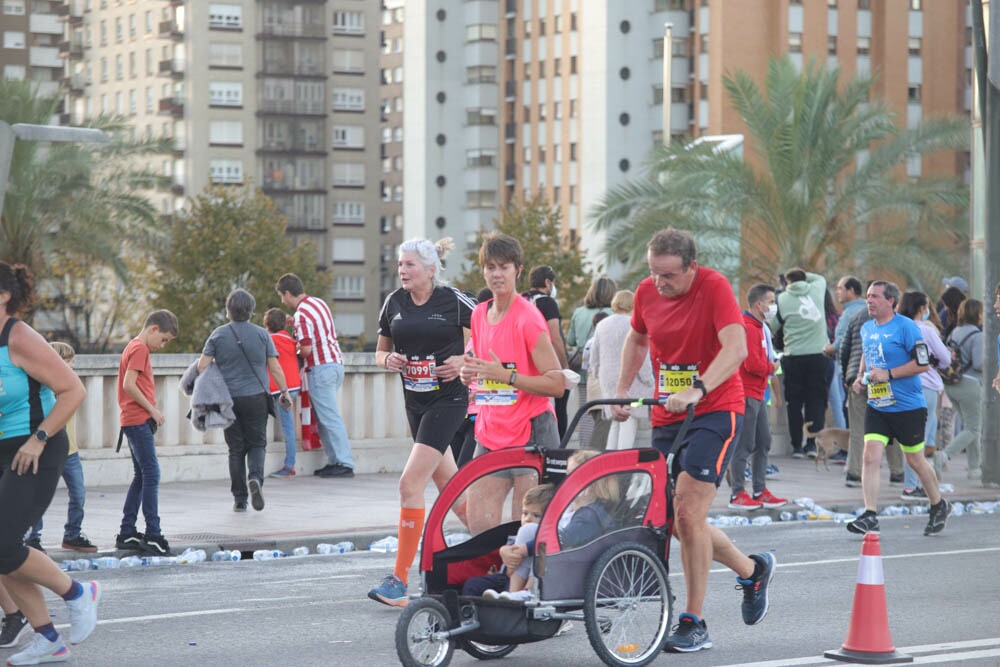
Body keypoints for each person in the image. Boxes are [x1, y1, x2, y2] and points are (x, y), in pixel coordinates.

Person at [610, 229, 774, 653]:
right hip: (669, 412)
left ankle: (694, 620)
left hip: (716, 410)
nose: (659, 284)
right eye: (653, 273)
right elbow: (638, 337)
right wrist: (623, 388)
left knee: (687, 511)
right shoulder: (647, 292)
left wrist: (698, 389)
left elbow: (736, 350)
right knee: (675, 519)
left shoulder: (714, 287)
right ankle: (751, 570)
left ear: (691, 268)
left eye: (668, 276)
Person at [0, 262, 100, 665]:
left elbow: (72, 391)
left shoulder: (19, 337)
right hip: (4, 449)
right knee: (1, 552)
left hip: (36, 447)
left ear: (4, 295)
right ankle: (48, 639)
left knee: (3, 544)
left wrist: (39, 440)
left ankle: (78, 593)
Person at [367, 238, 476, 607]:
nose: (402, 271)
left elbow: (490, 331)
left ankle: (398, 580)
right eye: (400, 264)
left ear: (430, 270)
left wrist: (464, 361)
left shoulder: (453, 300)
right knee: (458, 500)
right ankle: (506, 560)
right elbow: (379, 351)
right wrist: (388, 361)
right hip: (415, 403)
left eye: (410, 265)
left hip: (448, 401)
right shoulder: (393, 303)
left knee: (408, 484)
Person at [460, 234, 565, 535]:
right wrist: (468, 374)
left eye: (504, 267)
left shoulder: (528, 318)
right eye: (490, 267)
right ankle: (494, 581)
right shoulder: (479, 313)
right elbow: (478, 361)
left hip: (532, 430)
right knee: (479, 525)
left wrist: (506, 376)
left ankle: (525, 584)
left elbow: (557, 384)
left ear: (518, 271)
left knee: (528, 532)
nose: (496, 274)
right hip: (490, 430)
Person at [847, 280, 950, 536]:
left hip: (908, 407)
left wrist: (889, 374)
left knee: (914, 460)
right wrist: (861, 376)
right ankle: (870, 514)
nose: (869, 301)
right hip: (878, 405)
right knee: (870, 456)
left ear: (890, 301)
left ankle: (938, 504)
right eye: (868, 296)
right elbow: (868, 353)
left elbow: (923, 364)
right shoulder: (867, 327)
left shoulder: (907, 327)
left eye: (875, 297)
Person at [197, 289, 292, 512]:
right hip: (256, 397)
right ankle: (256, 478)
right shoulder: (262, 334)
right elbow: (275, 367)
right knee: (258, 443)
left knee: (235, 449)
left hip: (228, 399)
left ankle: (239, 500)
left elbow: (202, 366)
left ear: (228, 311)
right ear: (251, 310)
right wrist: (284, 392)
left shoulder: (218, 334)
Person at [276, 273, 355, 478]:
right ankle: (334, 461)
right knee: (324, 417)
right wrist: (295, 324)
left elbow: (307, 349)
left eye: (281, 296)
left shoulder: (302, 314)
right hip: (335, 364)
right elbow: (317, 329)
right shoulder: (318, 303)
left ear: (287, 293)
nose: (282, 301)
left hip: (320, 368)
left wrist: (295, 354)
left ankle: (345, 463)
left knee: (329, 417)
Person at [115, 309, 178, 556]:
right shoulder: (140, 349)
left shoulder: (132, 346)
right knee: (152, 473)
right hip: (138, 420)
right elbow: (128, 385)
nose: (162, 345)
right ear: (153, 329)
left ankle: (127, 532)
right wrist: (153, 410)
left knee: (141, 476)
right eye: (163, 339)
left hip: (131, 421)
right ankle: (153, 534)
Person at [25, 343, 97, 553]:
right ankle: (33, 537)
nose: (72, 366)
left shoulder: (71, 387)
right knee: (38, 495)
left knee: (78, 493)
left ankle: (72, 534)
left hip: (70, 451)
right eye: (68, 362)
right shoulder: (43, 389)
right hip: (46, 450)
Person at [729, 284, 787, 511]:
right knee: (744, 444)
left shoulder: (760, 326)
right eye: (771, 301)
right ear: (758, 304)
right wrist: (771, 367)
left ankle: (759, 490)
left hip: (758, 393)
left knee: (763, 442)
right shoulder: (749, 328)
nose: (774, 306)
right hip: (747, 393)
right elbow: (751, 363)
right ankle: (737, 493)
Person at [839, 293, 904, 488]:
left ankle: (854, 473)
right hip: (882, 380)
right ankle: (897, 472)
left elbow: (844, 347)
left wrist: (848, 376)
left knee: (859, 428)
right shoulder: (893, 320)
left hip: (857, 381)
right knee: (892, 426)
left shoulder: (856, 316)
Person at [770, 268, 829, 459]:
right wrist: (804, 275)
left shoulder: (782, 299)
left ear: (787, 282)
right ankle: (812, 444)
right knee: (817, 402)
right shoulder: (817, 288)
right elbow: (818, 276)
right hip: (818, 355)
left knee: (794, 403)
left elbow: (773, 327)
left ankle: (796, 446)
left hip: (793, 356)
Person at [896, 292, 951, 499]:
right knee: (917, 440)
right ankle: (911, 486)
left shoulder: (897, 329)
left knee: (910, 437)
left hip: (901, 385)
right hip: (925, 387)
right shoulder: (925, 331)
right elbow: (945, 358)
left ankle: (917, 482)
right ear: (922, 308)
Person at [463, 484, 556, 600]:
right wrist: (504, 551)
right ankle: (472, 614)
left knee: (531, 536)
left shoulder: (548, 537)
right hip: (504, 577)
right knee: (472, 585)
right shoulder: (518, 534)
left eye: (536, 515)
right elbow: (507, 557)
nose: (528, 519)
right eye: (525, 513)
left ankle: (512, 599)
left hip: (527, 581)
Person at [589, 290, 653, 450]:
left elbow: (594, 355)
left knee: (615, 421)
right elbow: (641, 354)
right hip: (632, 379)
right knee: (629, 420)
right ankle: (623, 461)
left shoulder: (602, 325)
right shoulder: (634, 324)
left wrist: (597, 374)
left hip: (607, 378)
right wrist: (649, 379)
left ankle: (610, 459)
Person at [521, 265, 571, 436]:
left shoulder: (521, 300)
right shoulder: (547, 302)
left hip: (522, 361)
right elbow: (555, 336)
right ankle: (559, 443)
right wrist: (564, 365)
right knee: (560, 403)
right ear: (548, 282)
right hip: (545, 360)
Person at [566, 276, 616, 445]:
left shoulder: (579, 313)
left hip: (583, 371)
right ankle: (602, 456)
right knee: (605, 418)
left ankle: (584, 456)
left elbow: (571, 340)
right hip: (606, 372)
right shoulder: (615, 314)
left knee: (586, 415)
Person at [939, 299, 984, 480]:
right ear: (977, 314)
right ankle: (943, 456)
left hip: (952, 384)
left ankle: (974, 467)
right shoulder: (978, 336)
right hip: (971, 384)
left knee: (970, 426)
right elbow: (980, 363)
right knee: (973, 428)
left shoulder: (954, 333)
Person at [826, 276, 866, 464]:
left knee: (856, 421)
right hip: (874, 375)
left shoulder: (851, 314)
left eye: (841, 288)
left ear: (852, 291)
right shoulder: (867, 311)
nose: (837, 292)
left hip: (854, 374)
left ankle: (854, 466)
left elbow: (842, 343)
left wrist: (828, 349)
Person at [265, 308, 302, 479]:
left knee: (287, 427)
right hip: (294, 386)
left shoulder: (268, 339)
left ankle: (290, 465)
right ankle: (290, 464)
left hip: (280, 390)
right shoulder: (290, 340)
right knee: (289, 426)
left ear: (267, 325)